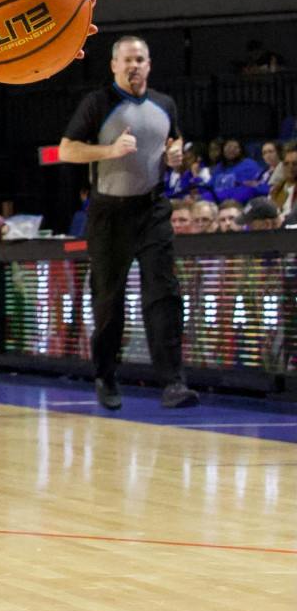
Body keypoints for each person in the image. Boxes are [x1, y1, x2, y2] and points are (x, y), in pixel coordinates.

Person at [55, 35, 195, 410]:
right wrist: (110, 150)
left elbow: (175, 142)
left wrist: (176, 154)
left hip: (152, 209)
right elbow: (66, 149)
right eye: (128, 60)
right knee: (108, 299)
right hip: (109, 214)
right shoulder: (97, 103)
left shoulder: (165, 104)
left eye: (140, 59)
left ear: (149, 65)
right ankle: (106, 375)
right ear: (114, 65)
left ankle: (173, 382)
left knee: (163, 293)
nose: (134, 65)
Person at [208, 137, 268, 204]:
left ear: (241, 150)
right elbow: (210, 185)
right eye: (228, 147)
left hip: (238, 201)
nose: (231, 150)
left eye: (235, 147)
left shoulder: (249, 164)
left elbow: (251, 186)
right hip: (215, 200)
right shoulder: (219, 167)